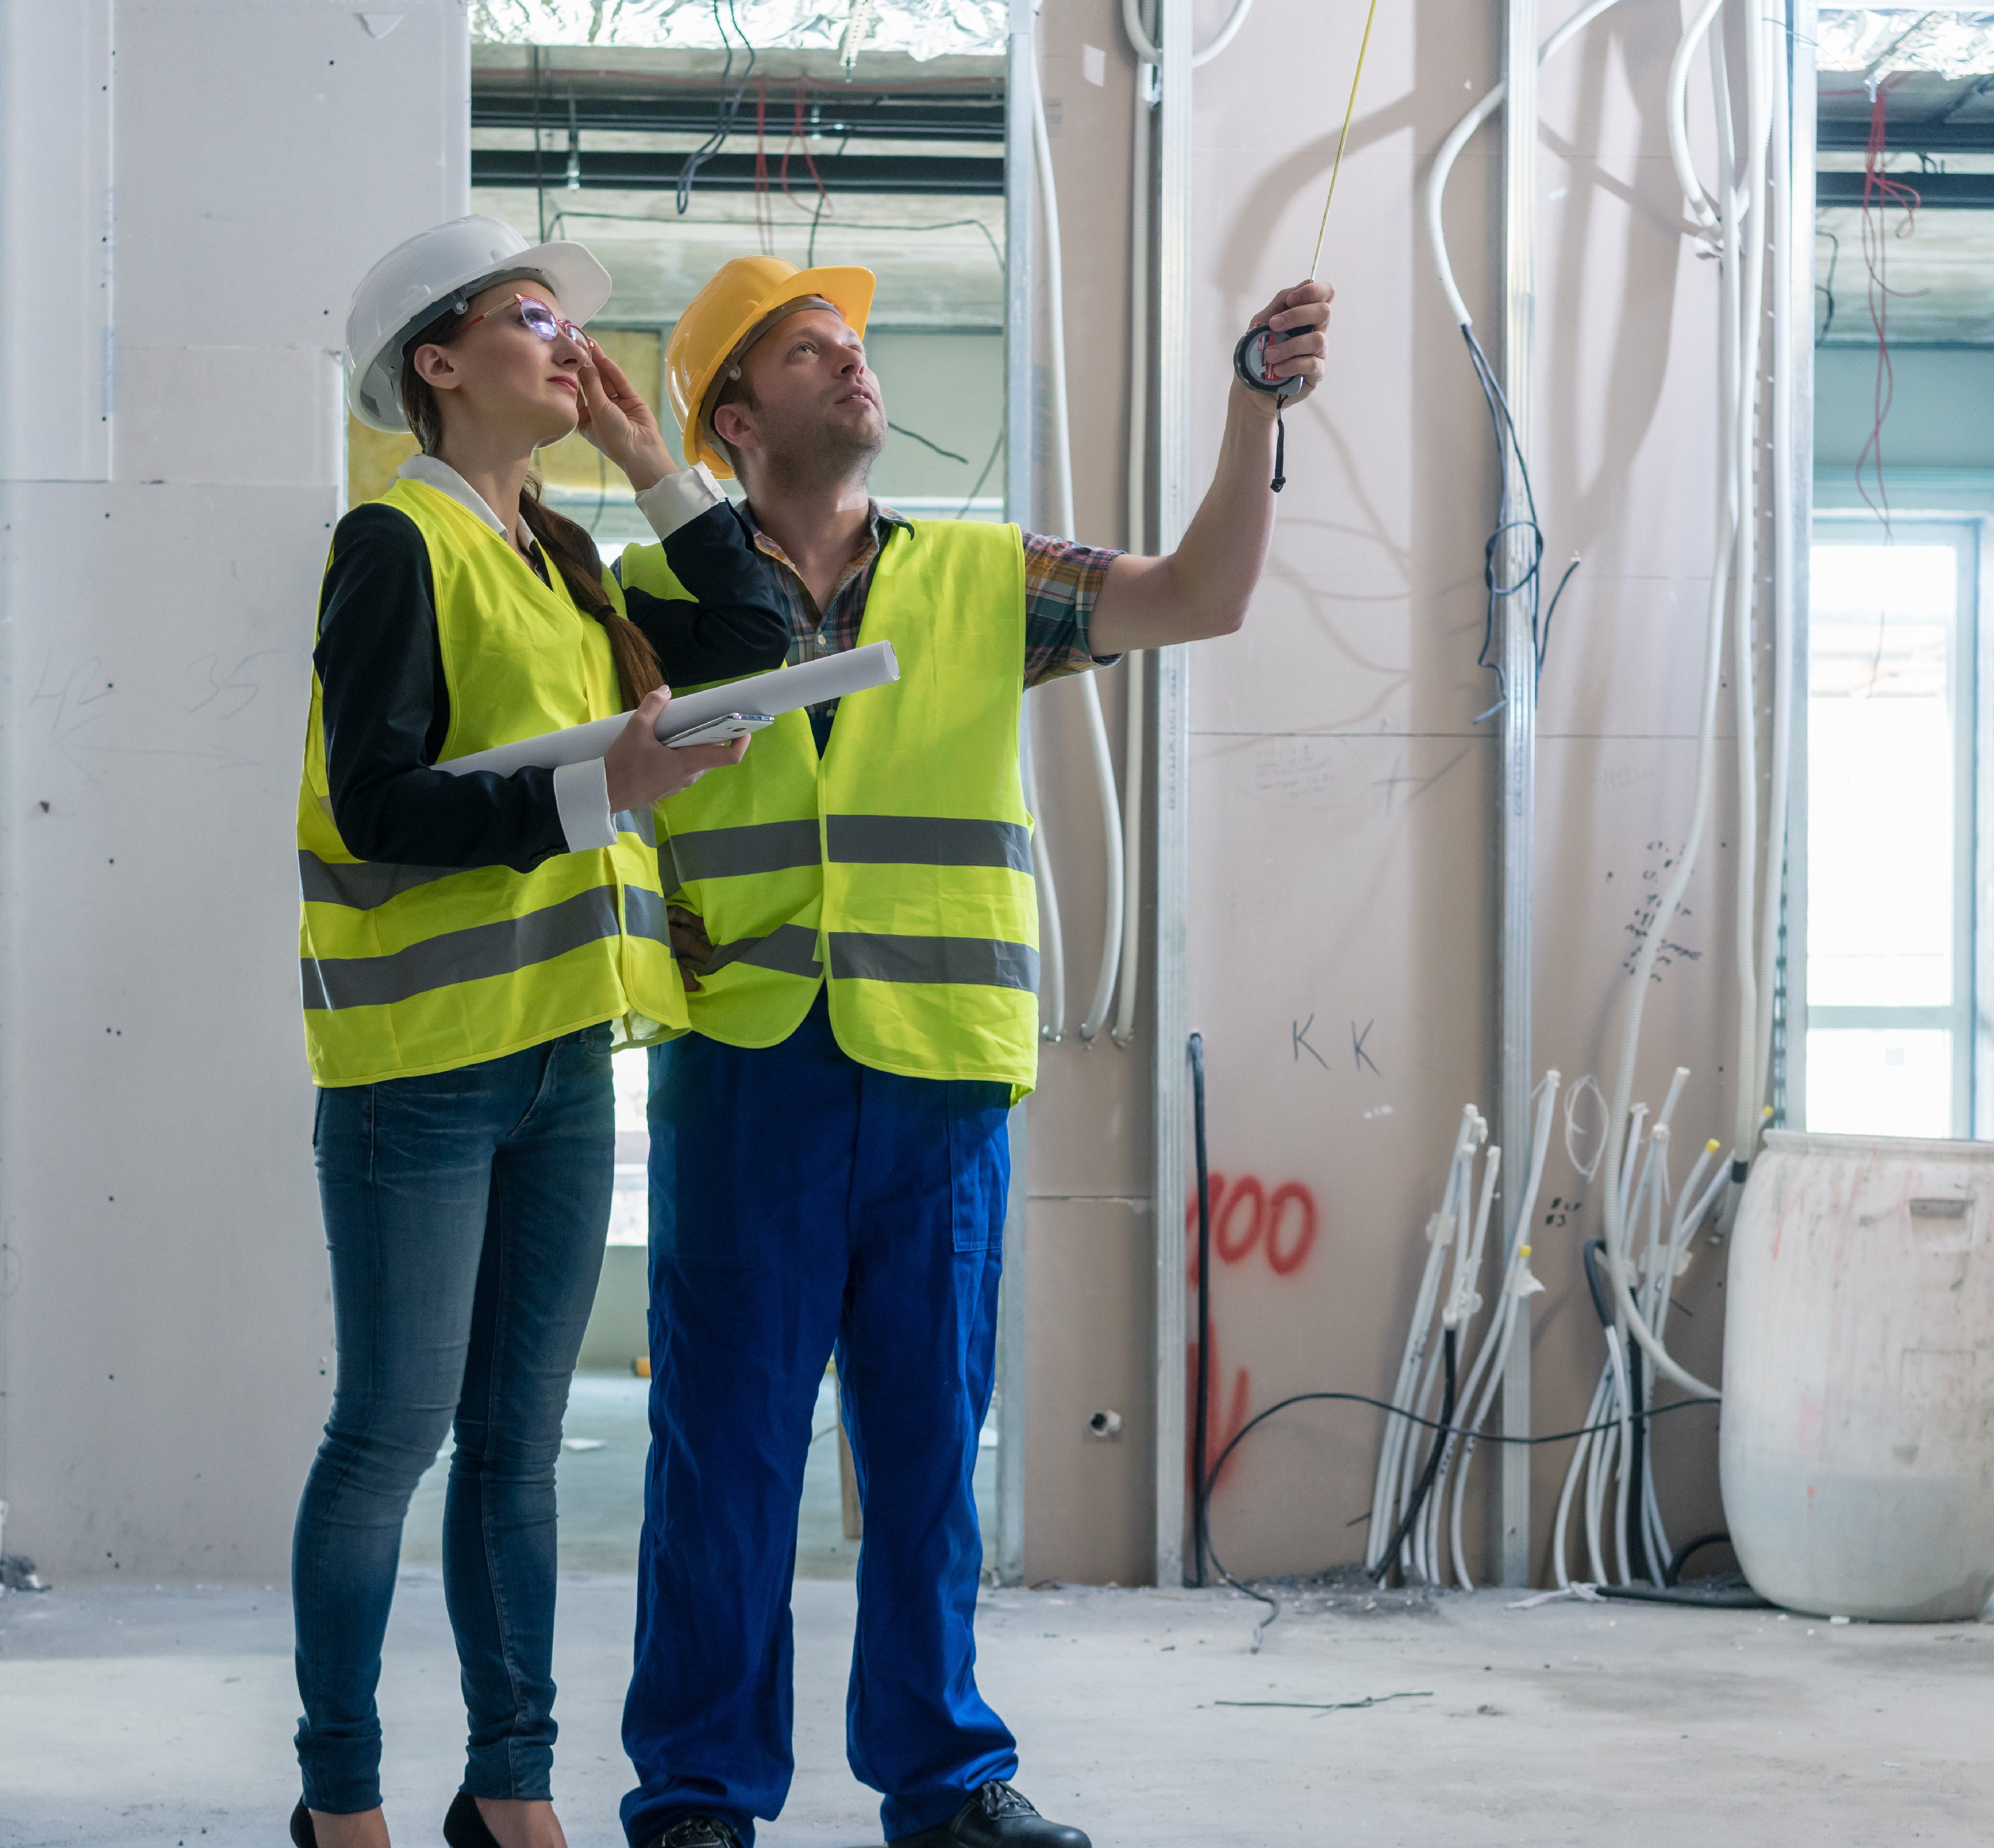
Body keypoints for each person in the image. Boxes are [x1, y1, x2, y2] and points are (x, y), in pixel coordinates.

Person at [609, 255, 1333, 1848]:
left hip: (936, 1072)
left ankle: (941, 1783)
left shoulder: (983, 576)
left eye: (854, 344)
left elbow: (1201, 592)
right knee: (720, 1452)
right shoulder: (650, 599)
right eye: (811, 352)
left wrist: (1249, 409)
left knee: (927, 1447)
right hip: (744, 1066)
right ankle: (697, 1793)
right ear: (733, 417)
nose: (853, 364)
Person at [290, 217, 789, 1848]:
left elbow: (752, 633)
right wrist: (606, 786)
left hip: (566, 1060)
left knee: (517, 1449)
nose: (564, 343)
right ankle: (341, 1798)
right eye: (528, 317)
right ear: (438, 364)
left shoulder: (561, 559)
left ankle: (510, 1788)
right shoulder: (396, 540)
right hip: (420, 1078)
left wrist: (652, 459)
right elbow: (376, 803)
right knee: (390, 1438)